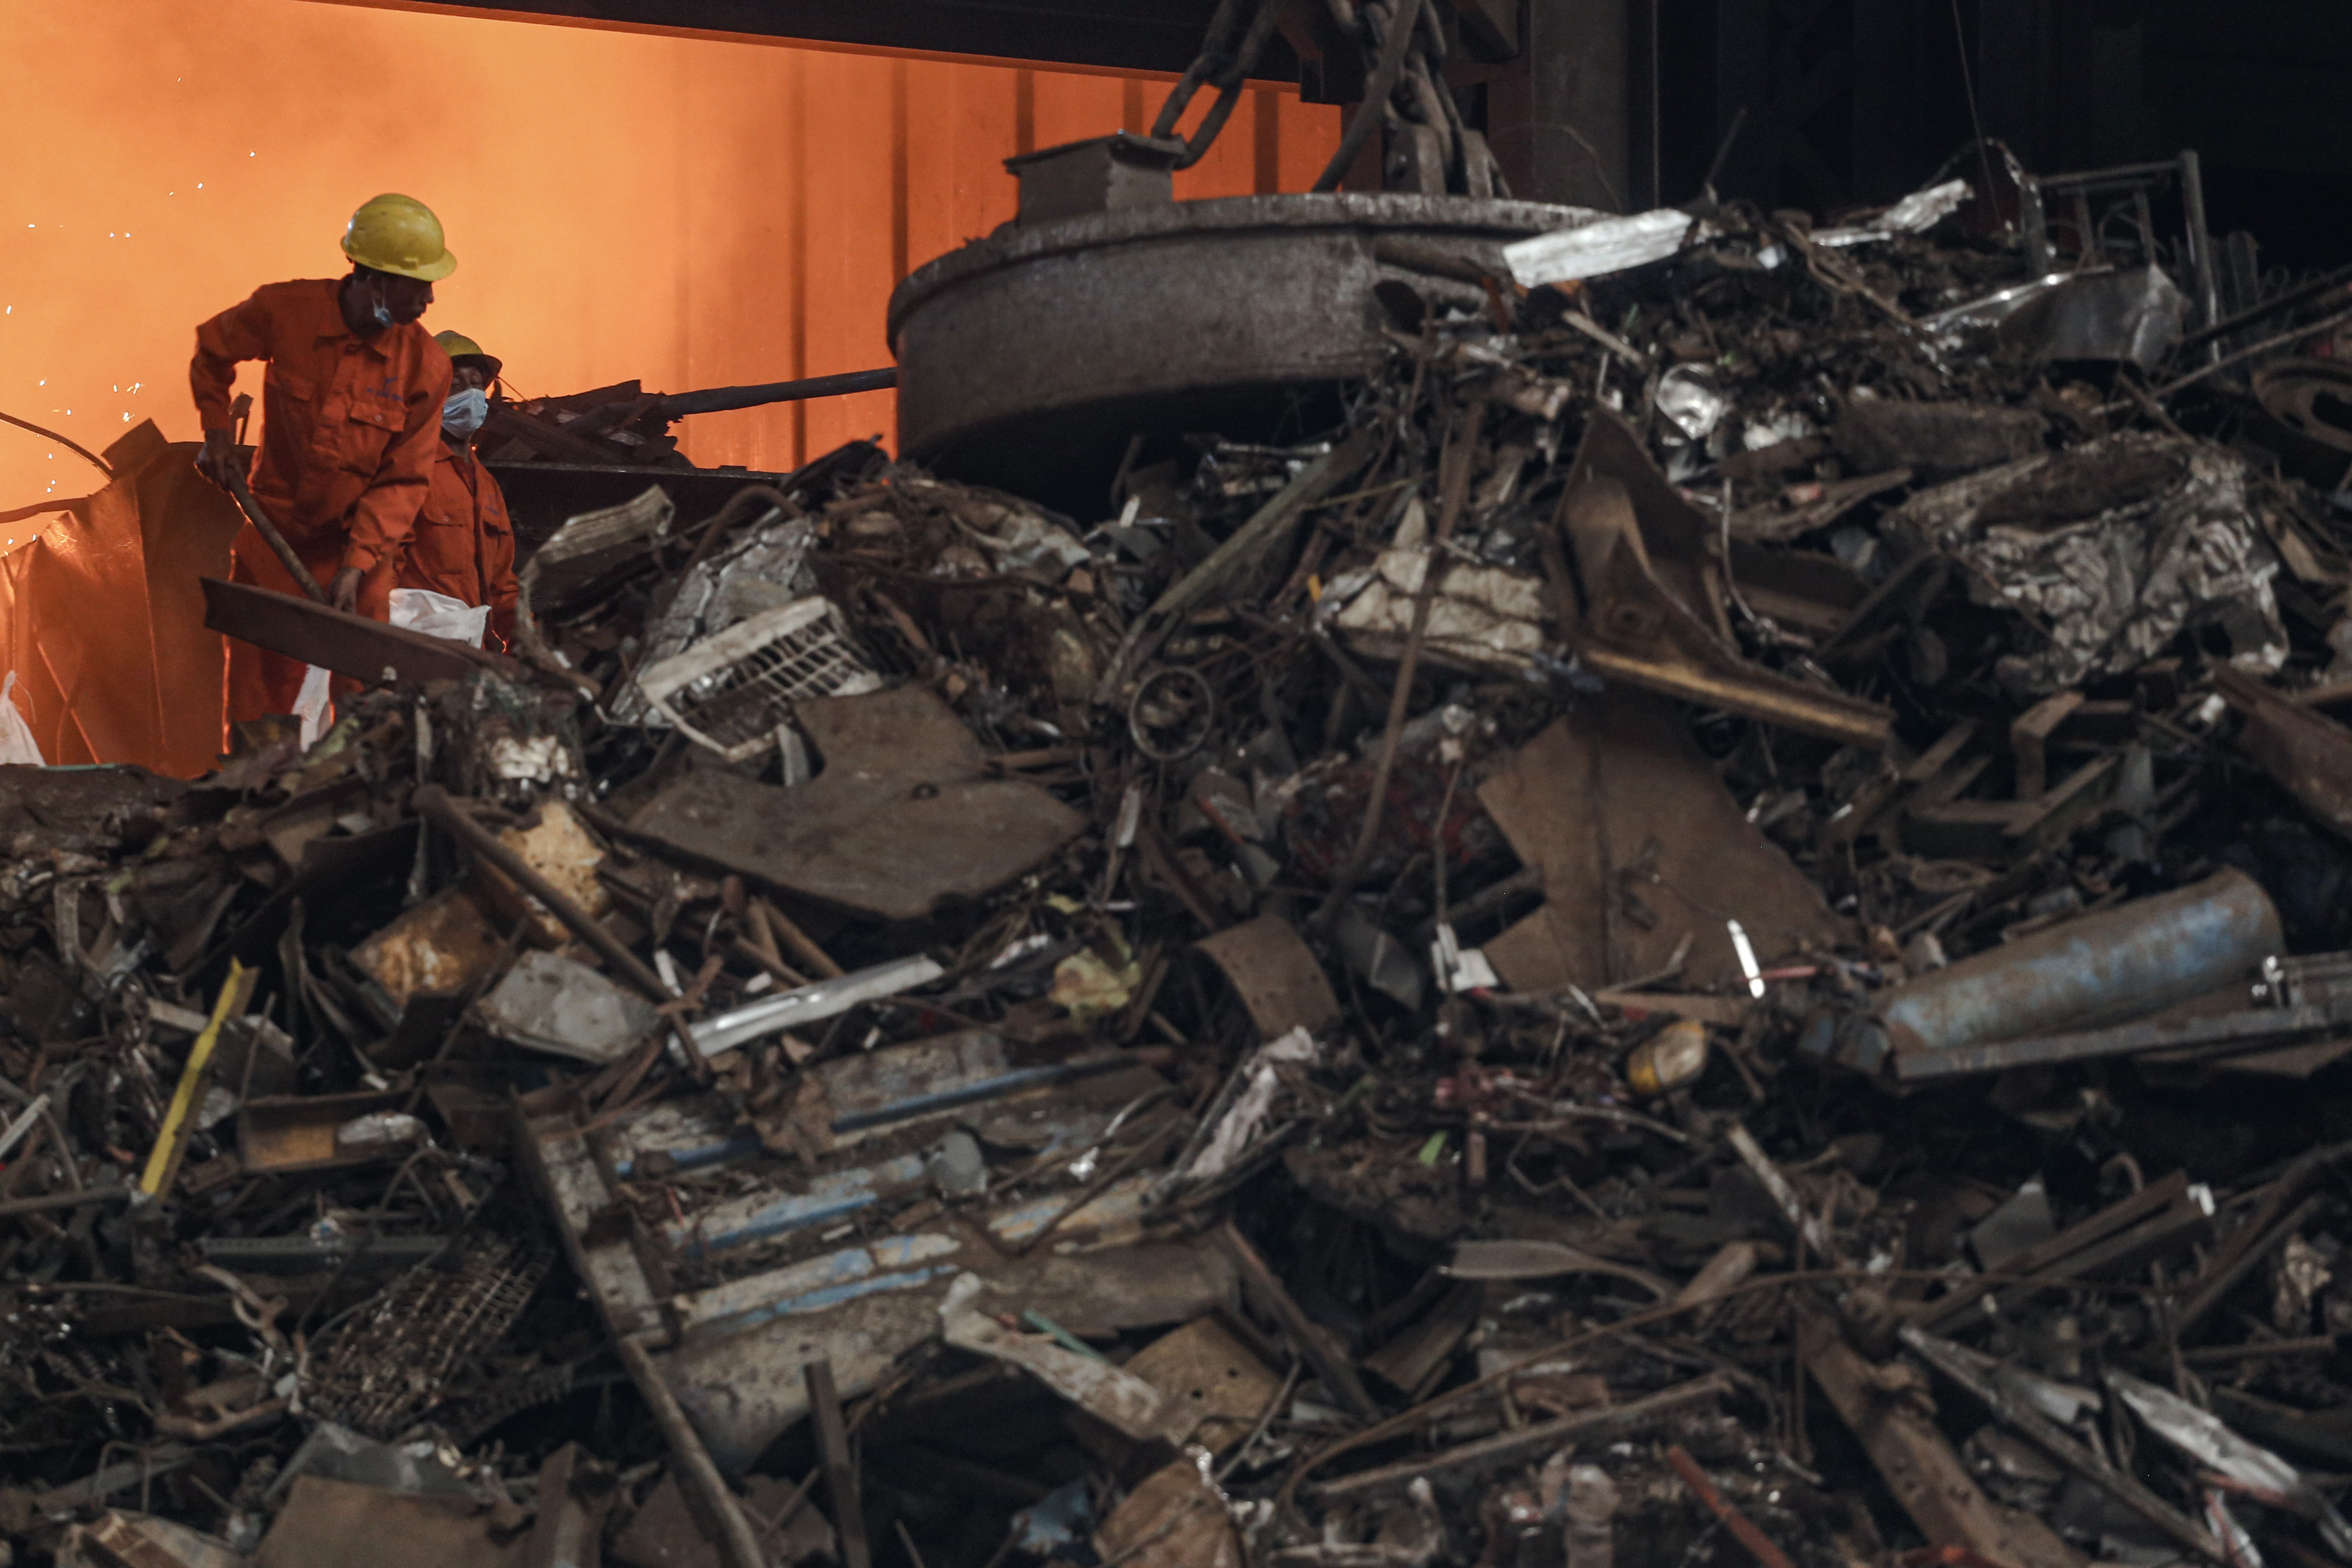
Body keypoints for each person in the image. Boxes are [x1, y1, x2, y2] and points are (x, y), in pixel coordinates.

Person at [191, 193, 455, 723]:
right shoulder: (285, 311)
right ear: (374, 279)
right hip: (274, 531)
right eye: (418, 283)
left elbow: (402, 480)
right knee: (258, 688)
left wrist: (357, 566)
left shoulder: (424, 365)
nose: (429, 298)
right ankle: (256, 792)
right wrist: (217, 432)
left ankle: (356, 788)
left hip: (356, 543)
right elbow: (213, 351)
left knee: (364, 690)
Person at [400, 331, 517, 650]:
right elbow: (379, 571)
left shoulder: (487, 487)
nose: (471, 394)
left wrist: (528, 644)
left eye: (477, 383)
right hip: (415, 647)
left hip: (469, 653)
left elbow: (503, 586)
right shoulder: (408, 470)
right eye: (454, 385)